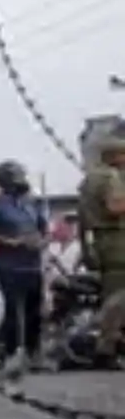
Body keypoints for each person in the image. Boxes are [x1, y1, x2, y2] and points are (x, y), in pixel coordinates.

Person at [0, 159, 48, 370]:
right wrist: (8, 242)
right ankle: (9, 352)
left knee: (34, 311)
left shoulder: (31, 204)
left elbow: (44, 228)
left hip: (33, 264)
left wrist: (42, 241)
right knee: (13, 310)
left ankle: (33, 353)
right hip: (9, 265)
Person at [77, 130, 125, 370]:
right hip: (117, 243)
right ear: (116, 156)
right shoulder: (110, 177)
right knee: (118, 300)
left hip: (101, 242)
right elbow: (115, 207)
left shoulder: (88, 180)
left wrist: (86, 249)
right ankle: (106, 349)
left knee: (113, 297)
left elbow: (82, 220)